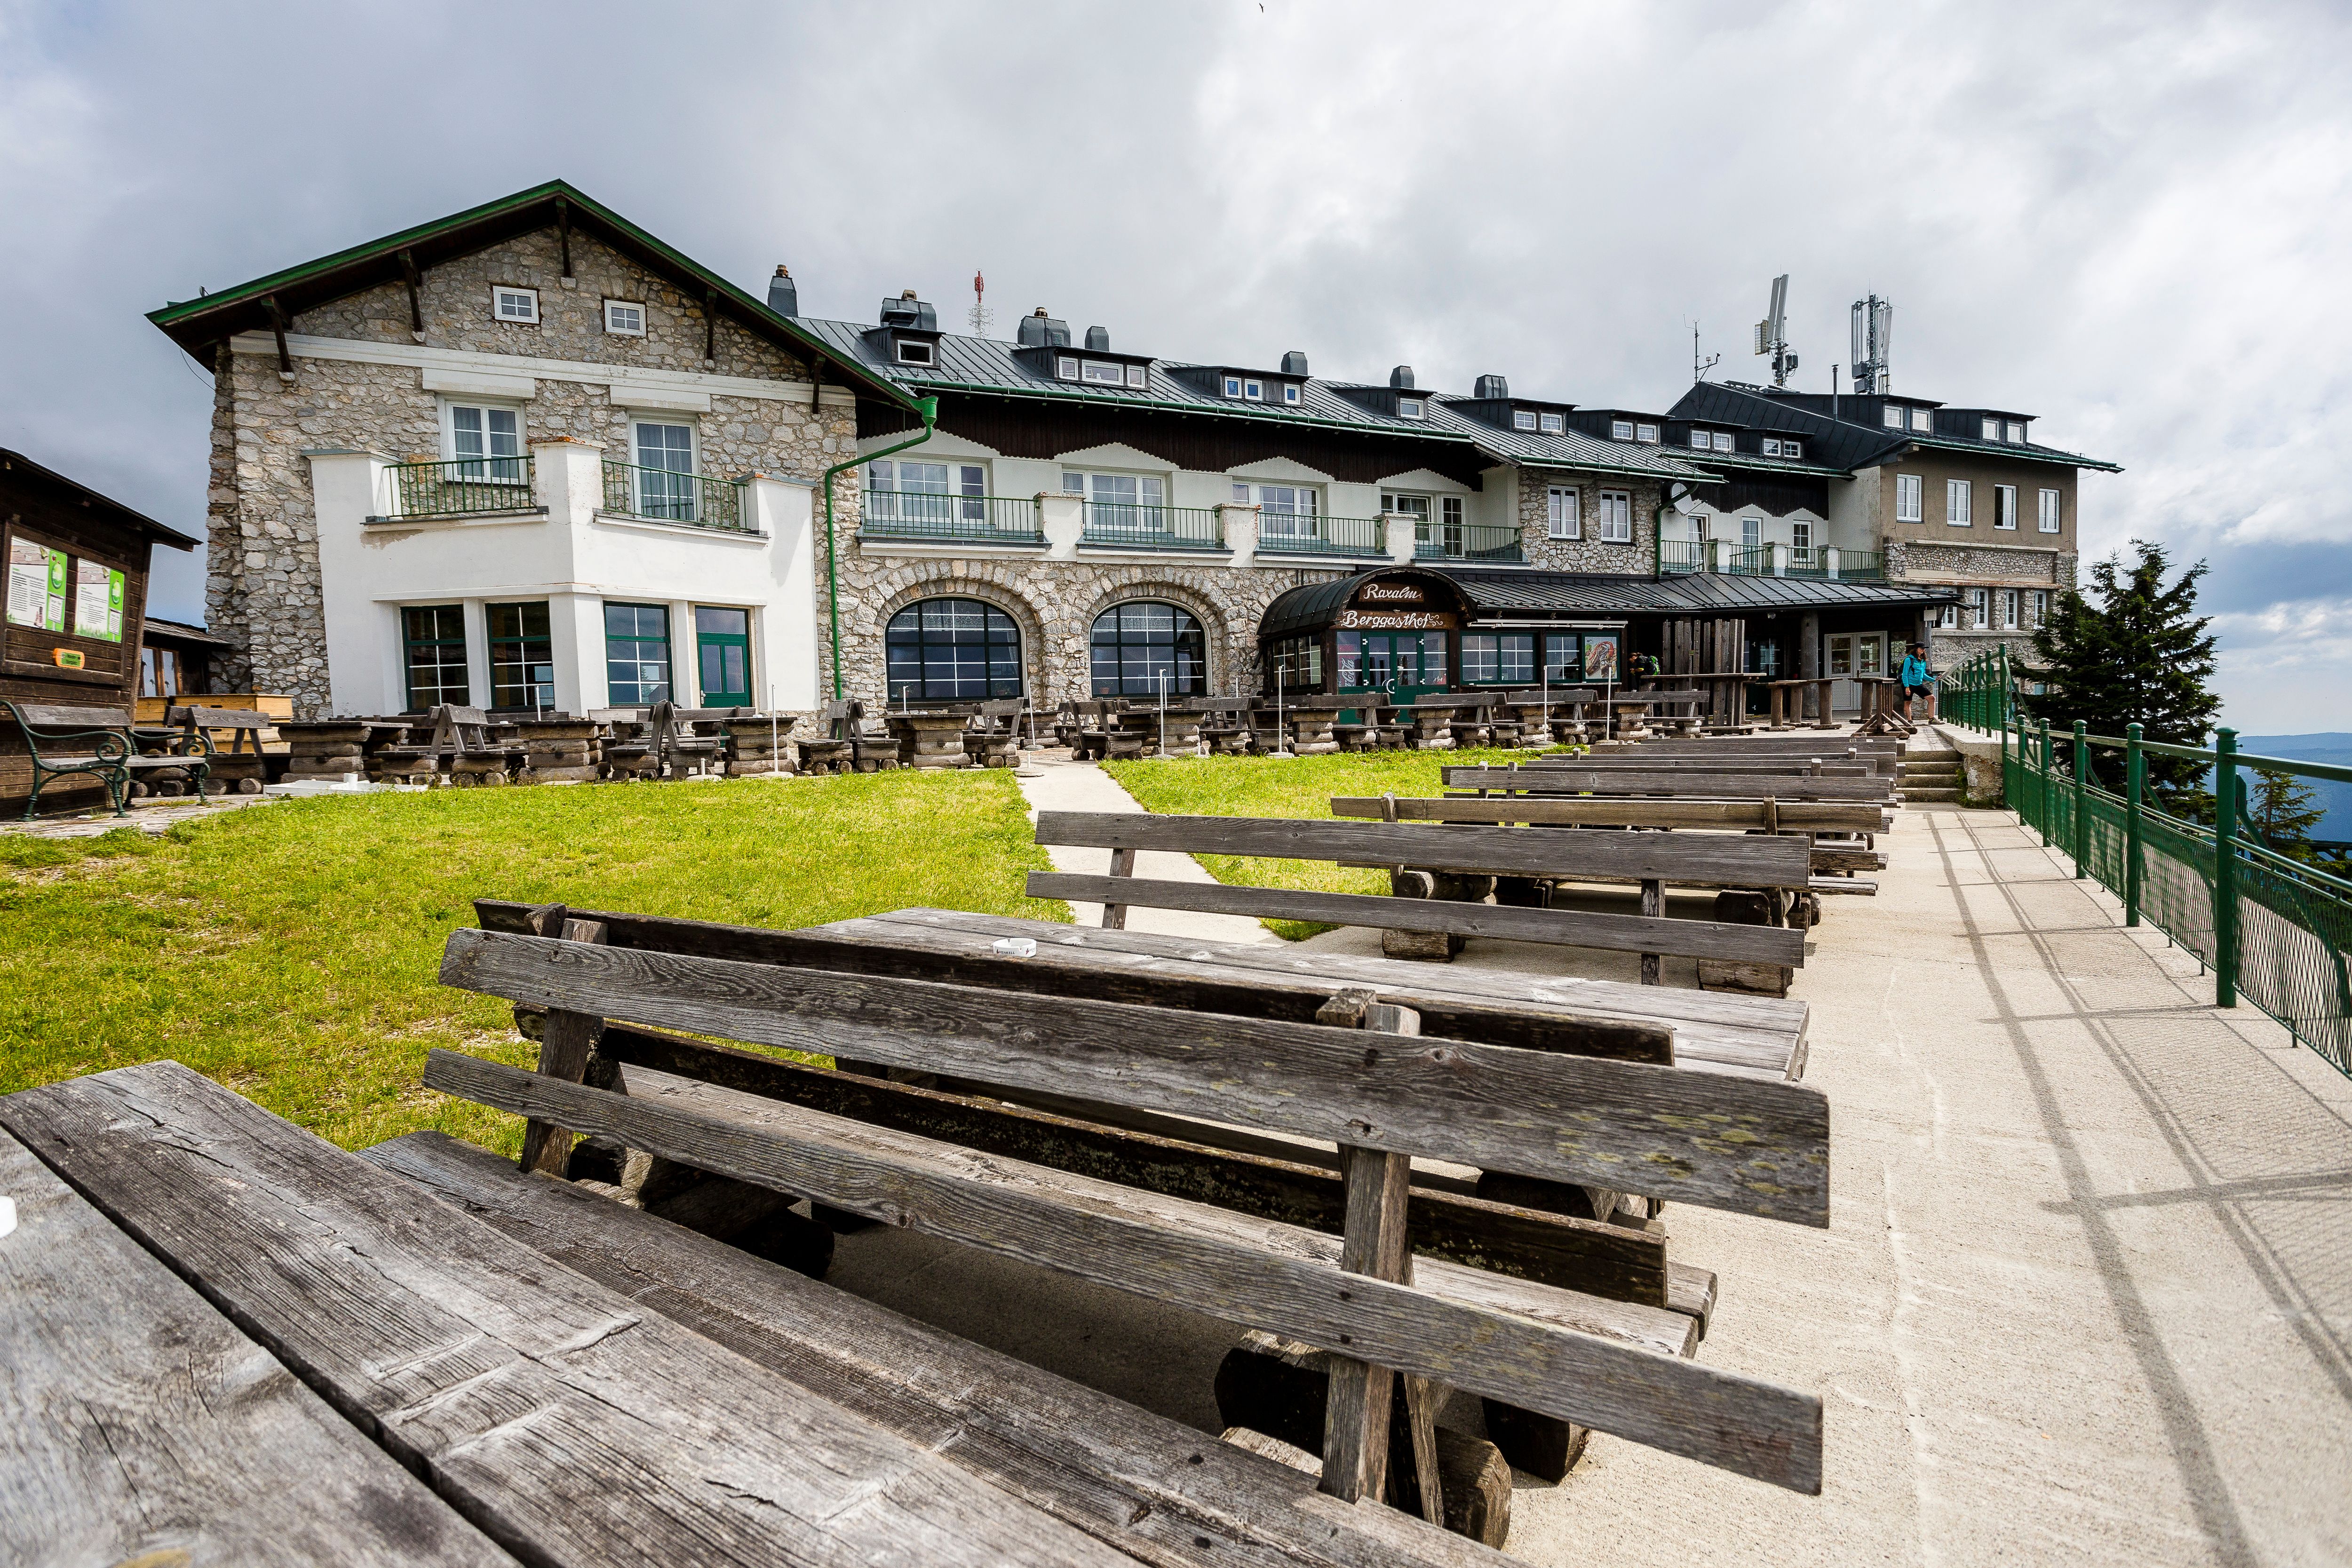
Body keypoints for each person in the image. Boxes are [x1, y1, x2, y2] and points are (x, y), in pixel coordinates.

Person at [1899, 642, 1935, 720]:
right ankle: (1909, 721)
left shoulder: (1923, 661)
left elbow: (1924, 675)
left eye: (1924, 648)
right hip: (1909, 684)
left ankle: (1932, 719)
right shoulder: (1909, 659)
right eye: (1921, 648)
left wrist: (1934, 680)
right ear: (1916, 649)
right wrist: (1907, 687)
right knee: (1908, 702)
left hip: (1919, 684)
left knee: (1932, 698)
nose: (1923, 650)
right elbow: (1905, 674)